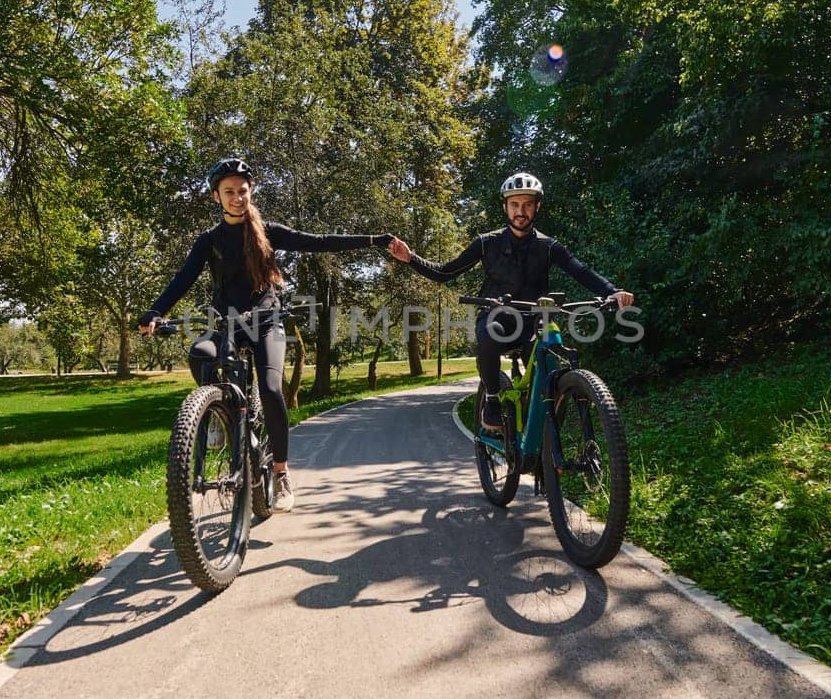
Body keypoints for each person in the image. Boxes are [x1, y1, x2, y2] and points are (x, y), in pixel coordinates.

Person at [137, 157, 404, 511]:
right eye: (229, 192)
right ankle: (220, 416)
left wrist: (375, 240)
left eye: (242, 191)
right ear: (216, 196)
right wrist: (156, 310)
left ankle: (280, 472)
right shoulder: (209, 241)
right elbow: (182, 279)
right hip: (226, 323)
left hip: (266, 323)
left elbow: (320, 242)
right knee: (200, 355)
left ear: (251, 192)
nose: (237, 198)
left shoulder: (269, 232)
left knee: (272, 387)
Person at [388, 171, 634, 432]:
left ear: (536, 207)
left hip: (533, 321)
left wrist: (612, 291)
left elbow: (581, 271)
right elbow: (445, 272)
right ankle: (492, 398)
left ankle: (545, 431)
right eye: (515, 204)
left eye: (527, 204)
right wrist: (411, 258)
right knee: (490, 335)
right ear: (505, 207)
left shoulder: (548, 246)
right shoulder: (486, 243)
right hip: (496, 317)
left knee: (550, 358)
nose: (521, 211)